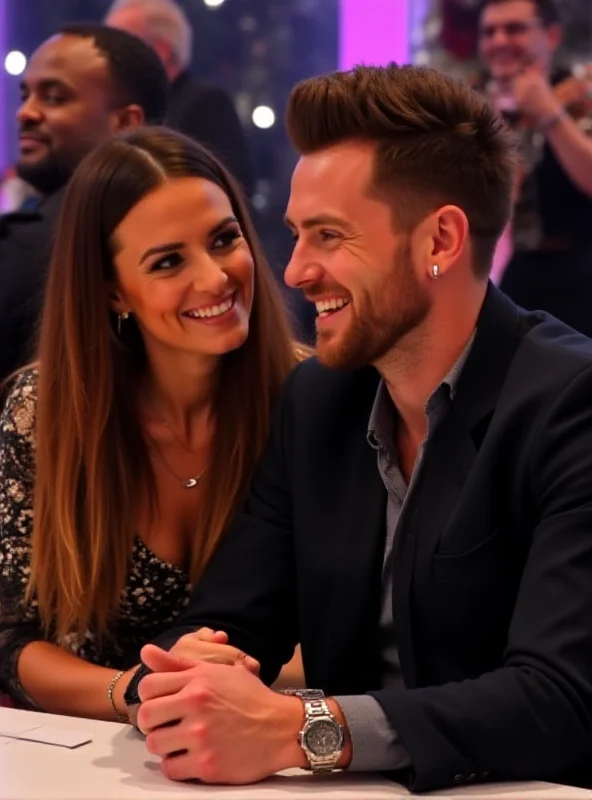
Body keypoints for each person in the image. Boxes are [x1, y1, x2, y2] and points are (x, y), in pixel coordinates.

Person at [124, 64, 592, 792]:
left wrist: (300, 729)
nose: (295, 271)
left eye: (329, 236)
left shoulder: (572, 401)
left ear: (440, 240)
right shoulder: (318, 399)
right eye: (295, 235)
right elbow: (229, 618)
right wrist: (185, 674)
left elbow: (559, 698)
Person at [0, 126, 304, 719]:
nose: (216, 278)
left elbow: (363, 625)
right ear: (115, 293)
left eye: (224, 239)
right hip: (94, 750)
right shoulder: (46, 411)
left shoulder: (309, 396)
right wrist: (138, 691)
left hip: (271, 733)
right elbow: (11, 639)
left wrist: (226, 682)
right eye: (169, 261)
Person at [0, 23, 169, 386]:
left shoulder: (28, 248)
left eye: (54, 97)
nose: (25, 112)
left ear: (126, 123)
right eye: (26, 94)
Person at [476, 0, 592, 334]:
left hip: (582, 271)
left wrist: (548, 110)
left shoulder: (581, 95)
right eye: (489, 32)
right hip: (516, 272)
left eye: (514, 29)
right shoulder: (473, 105)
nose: (499, 41)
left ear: (551, 36)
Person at [105, 0, 254, 197]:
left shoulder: (207, 104)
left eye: (120, 46)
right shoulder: (125, 107)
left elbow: (230, 188)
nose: (107, 58)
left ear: (162, 51)